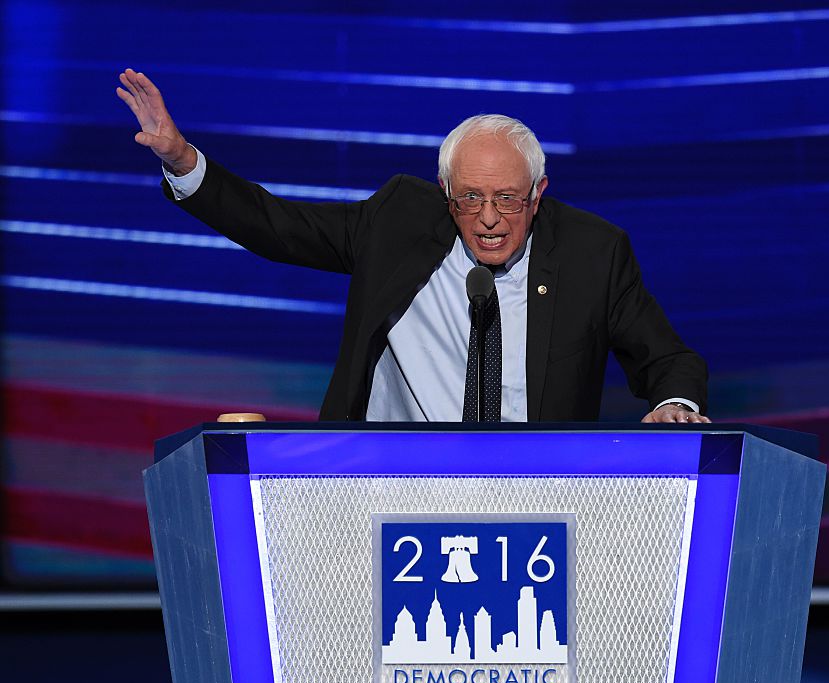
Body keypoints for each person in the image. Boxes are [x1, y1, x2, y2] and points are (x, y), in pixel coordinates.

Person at [116, 68, 710, 424]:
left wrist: (676, 404)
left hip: (537, 497)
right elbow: (278, 226)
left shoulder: (591, 252)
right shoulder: (400, 222)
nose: (489, 219)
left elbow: (669, 360)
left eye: (506, 198)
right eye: (470, 198)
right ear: (446, 194)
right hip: (389, 486)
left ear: (537, 194)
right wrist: (182, 160)